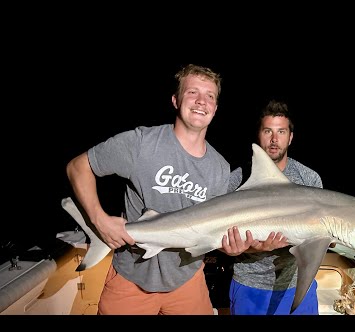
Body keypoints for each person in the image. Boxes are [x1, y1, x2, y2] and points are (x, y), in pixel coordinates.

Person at [65, 64, 256, 315]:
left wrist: (230, 247)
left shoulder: (220, 168)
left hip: (187, 281)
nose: (201, 101)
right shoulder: (142, 143)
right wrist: (99, 220)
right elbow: (78, 167)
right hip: (132, 278)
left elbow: (208, 231)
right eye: (192, 93)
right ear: (175, 100)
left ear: (216, 108)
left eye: (210, 96)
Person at [226, 99, 324, 315]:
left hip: (297, 283)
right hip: (250, 285)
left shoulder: (309, 179)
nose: (274, 139)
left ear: (290, 137)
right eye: (267, 131)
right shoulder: (236, 180)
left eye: (281, 132)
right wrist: (256, 248)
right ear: (258, 134)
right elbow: (219, 242)